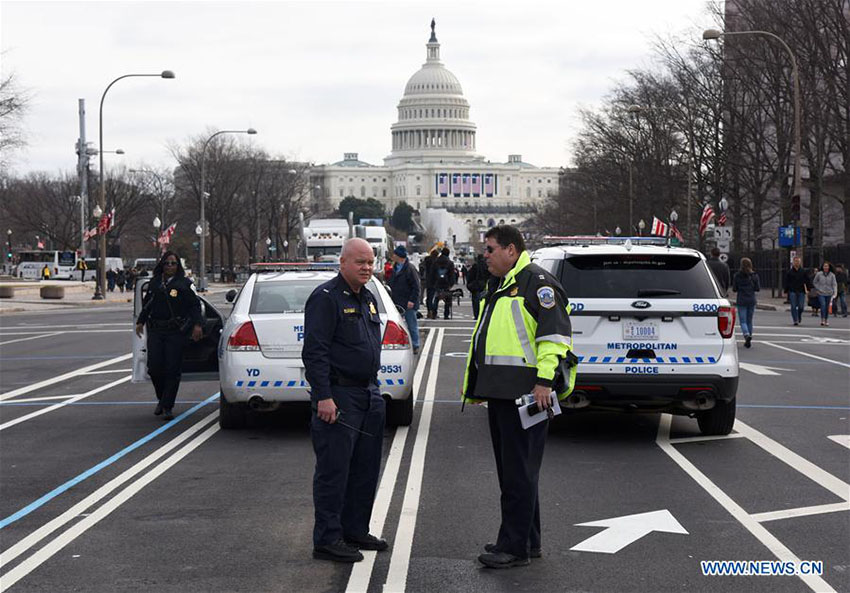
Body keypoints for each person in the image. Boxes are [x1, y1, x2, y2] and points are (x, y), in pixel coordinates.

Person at [461, 225, 577, 569]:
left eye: (491, 249)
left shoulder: (536, 284)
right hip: (502, 392)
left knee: (517, 473)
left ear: (511, 250)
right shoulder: (504, 283)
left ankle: (513, 547)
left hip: (526, 395)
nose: (487, 256)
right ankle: (526, 538)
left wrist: (544, 382)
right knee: (518, 472)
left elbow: (554, 338)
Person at [302, 238, 388, 563]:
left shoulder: (367, 298)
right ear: (343, 262)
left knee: (364, 469)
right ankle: (327, 538)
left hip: (368, 394)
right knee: (334, 470)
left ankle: (355, 530)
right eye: (360, 262)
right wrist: (324, 396)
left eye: (370, 262)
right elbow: (315, 352)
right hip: (338, 396)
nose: (367, 268)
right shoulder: (325, 299)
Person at [134, 252, 203, 420]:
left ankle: (167, 406)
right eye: (167, 263)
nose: (170, 266)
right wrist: (141, 321)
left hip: (175, 332)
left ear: (178, 266)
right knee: (154, 368)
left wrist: (197, 325)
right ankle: (162, 399)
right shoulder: (155, 282)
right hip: (156, 330)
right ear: (162, 265)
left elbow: (194, 306)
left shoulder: (184, 284)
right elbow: (149, 303)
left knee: (172, 370)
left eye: (173, 263)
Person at [388, 245, 420, 354]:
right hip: (397, 302)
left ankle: (415, 345)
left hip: (408, 302)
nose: (393, 256)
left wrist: (412, 300)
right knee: (399, 325)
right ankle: (402, 343)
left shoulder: (410, 269)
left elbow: (416, 286)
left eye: (395, 254)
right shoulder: (395, 268)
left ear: (400, 256)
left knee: (412, 324)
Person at [731, 257, 760, 348]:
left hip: (741, 299)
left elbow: (734, 289)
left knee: (743, 321)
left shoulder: (737, 275)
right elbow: (757, 288)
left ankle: (746, 334)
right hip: (751, 299)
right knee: (749, 320)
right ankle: (749, 336)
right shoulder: (754, 275)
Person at [429, 247, 456, 319]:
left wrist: (432, 283)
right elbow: (452, 275)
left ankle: (434, 313)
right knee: (447, 299)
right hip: (446, 283)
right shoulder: (450, 263)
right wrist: (451, 284)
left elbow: (432, 273)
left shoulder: (436, 262)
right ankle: (446, 314)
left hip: (437, 283)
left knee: (436, 298)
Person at [784, 256, 810, 326]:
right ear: (793, 262)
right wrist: (786, 291)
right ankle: (795, 320)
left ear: (800, 262)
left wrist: (808, 289)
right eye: (795, 261)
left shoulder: (803, 271)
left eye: (798, 261)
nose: (797, 263)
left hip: (801, 290)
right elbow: (787, 282)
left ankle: (799, 315)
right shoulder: (789, 272)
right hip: (792, 290)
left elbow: (807, 281)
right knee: (793, 306)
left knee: (801, 306)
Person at [812, 262, 838, 326]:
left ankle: (826, 319)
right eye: (824, 266)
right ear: (822, 267)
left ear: (829, 267)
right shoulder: (819, 274)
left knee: (827, 307)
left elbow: (834, 284)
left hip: (829, 293)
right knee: (823, 305)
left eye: (827, 266)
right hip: (821, 293)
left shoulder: (832, 275)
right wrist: (818, 288)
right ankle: (822, 319)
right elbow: (815, 282)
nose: (826, 267)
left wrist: (835, 292)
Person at [466, 253, 491, 320]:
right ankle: (483, 314)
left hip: (476, 286)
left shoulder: (475, 266)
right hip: (484, 286)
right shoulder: (486, 266)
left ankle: (476, 315)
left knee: (475, 302)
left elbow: (470, 276)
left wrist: (470, 285)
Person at [423, 250, 438, 317]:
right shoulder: (436, 262)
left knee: (429, 297)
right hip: (435, 281)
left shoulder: (427, 260)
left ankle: (429, 311)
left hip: (428, 281)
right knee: (435, 297)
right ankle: (433, 311)